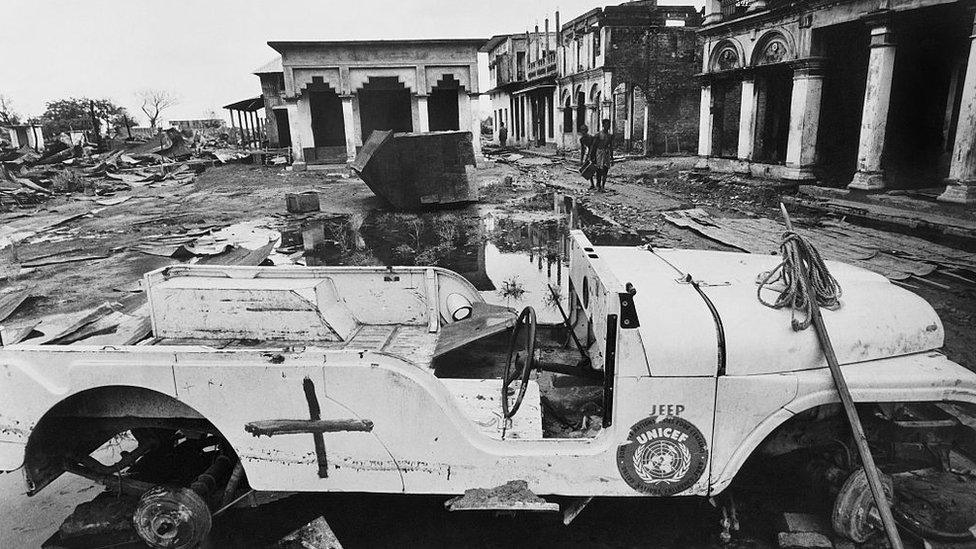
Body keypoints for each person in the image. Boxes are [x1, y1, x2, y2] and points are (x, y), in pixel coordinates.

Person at [591, 119, 614, 192]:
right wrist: (592, 156)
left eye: (609, 125)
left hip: (606, 153)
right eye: (606, 124)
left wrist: (612, 157)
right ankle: (598, 185)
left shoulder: (610, 136)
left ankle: (603, 186)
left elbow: (611, 146)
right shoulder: (598, 134)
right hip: (599, 153)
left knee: (606, 169)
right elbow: (594, 146)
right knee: (599, 170)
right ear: (603, 125)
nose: (608, 126)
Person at [579, 124, 595, 189]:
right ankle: (592, 184)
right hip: (589, 153)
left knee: (597, 168)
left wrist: (590, 156)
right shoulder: (582, 139)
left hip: (595, 152)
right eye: (582, 130)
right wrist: (581, 159)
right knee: (588, 169)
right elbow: (583, 149)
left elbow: (592, 147)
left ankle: (599, 185)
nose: (583, 132)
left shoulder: (591, 137)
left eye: (584, 130)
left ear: (587, 131)